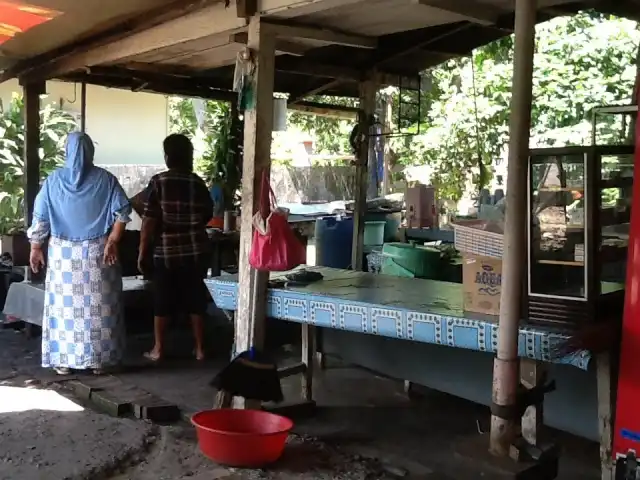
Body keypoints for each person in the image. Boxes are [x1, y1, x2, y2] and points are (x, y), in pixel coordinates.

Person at [28, 132, 132, 376]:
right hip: (98, 254)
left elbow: (41, 218)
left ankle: (64, 360)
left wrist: (35, 247)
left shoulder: (53, 181)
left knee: (65, 310)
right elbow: (123, 213)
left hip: (64, 257)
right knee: (99, 308)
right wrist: (113, 241)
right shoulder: (106, 180)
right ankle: (99, 360)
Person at [139, 134, 213, 362]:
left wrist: (142, 251)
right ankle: (200, 349)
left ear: (167, 156)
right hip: (196, 251)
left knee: (162, 300)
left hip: (166, 252)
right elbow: (207, 214)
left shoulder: (158, 182)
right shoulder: (197, 182)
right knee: (195, 299)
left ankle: (159, 349)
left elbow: (149, 220)